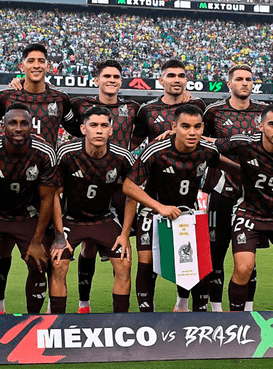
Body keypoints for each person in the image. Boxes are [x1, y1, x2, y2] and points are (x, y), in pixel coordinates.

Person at [0, 44, 80, 314]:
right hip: (7, 180)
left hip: (44, 181)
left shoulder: (60, 99)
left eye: (41, 61)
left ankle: (50, 307)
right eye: (31, 61)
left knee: (46, 251)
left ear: (48, 66)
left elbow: (80, 129)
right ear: (22, 65)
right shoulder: (7, 95)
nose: (36, 65)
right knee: (0, 250)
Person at [211, 104, 273, 312]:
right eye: (272, 124)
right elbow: (212, 146)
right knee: (243, 267)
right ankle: (236, 321)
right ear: (260, 126)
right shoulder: (243, 143)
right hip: (247, 211)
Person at [123, 104, 219, 313]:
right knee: (147, 262)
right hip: (153, 212)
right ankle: (147, 317)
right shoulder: (157, 150)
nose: (192, 132)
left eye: (197, 127)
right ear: (174, 127)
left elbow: (227, 165)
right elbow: (128, 186)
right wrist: (160, 207)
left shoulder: (208, 150)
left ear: (203, 128)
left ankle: (194, 315)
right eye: (185, 126)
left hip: (189, 212)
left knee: (199, 265)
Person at [131, 59, 206, 311]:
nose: (176, 79)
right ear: (161, 80)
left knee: (187, 257)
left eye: (181, 75)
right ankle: (145, 314)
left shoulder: (197, 106)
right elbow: (134, 141)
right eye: (170, 75)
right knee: (147, 259)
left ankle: (182, 306)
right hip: (154, 190)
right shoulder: (147, 110)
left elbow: (207, 142)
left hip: (187, 193)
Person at [50, 106, 136, 313]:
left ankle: (121, 322)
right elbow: (53, 193)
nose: (99, 130)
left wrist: (125, 235)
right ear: (82, 128)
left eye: (104, 125)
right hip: (71, 219)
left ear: (111, 130)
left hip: (103, 219)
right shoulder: (66, 153)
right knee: (58, 265)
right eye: (93, 125)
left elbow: (132, 196)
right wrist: (59, 234)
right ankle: (56, 322)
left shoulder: (122, 157)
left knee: (124, 263)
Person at [0, 104, 57, 314]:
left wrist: (37, 241)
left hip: (26, 215)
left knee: (39, 264)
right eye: (12, 123)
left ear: (31, 127)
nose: (18, 128)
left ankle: (33, 322)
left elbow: (47, 198)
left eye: (24, 123)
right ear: (4, 126)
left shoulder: (45, 153)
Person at [70, 60, 140, 313]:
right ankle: (83, 304)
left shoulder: (132, 108)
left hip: (120, 185)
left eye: (117, 76)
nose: (112, 80)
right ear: (96, 80)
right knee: (88, 244)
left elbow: (142, 134)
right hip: (88, 180)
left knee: (121, 249)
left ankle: (121, 310)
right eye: (107, 76)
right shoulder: (80, 105)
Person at [202, 65, 267, 312]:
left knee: (248, 257)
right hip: (221, 192)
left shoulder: (263, 112)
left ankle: (247, 309)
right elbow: (204, 147)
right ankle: (217, 310)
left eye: (248, 79)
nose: (244, 83)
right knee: (216, 253)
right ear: (229, 84)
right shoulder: (214, 112)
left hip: (253, 197)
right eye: (239, 79)